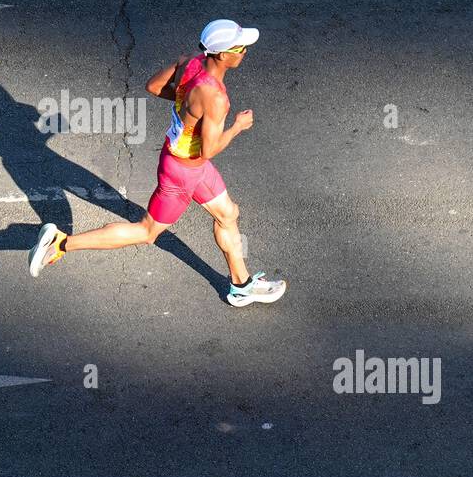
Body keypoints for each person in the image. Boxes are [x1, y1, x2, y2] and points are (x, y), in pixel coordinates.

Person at [27, 19, 286, 307]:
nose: (245, 52)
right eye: (241, 48)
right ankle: (61, 243)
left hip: (185, 161)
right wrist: (238, 126)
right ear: (224, 55)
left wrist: (185, 103)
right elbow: (210, 149)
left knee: (228, 214)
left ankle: (241, 285)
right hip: (182, 173)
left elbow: (153, 86)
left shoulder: (190, 62)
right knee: (147, 232)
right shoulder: (215, 98)